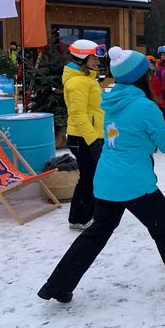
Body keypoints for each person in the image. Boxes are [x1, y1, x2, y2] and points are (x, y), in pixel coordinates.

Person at [38, 47, 165, 303]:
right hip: (135, 184)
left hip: (107, 180)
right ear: (140, 76)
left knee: (95, 235)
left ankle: (57, 285)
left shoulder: (112, 101)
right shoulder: (144, 106)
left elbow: (134, 135)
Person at [63, 39, 105, 230]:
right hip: (82, 137)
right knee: (87, 177)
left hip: (90, 135)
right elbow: (78, 115)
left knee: (93, 176)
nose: (97, 61)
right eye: (93, 57)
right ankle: (78, 218)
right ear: (82, 58)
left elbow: (95, 110)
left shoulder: (88, 78)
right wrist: (93, 140)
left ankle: (89, 213)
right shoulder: (78, 82)